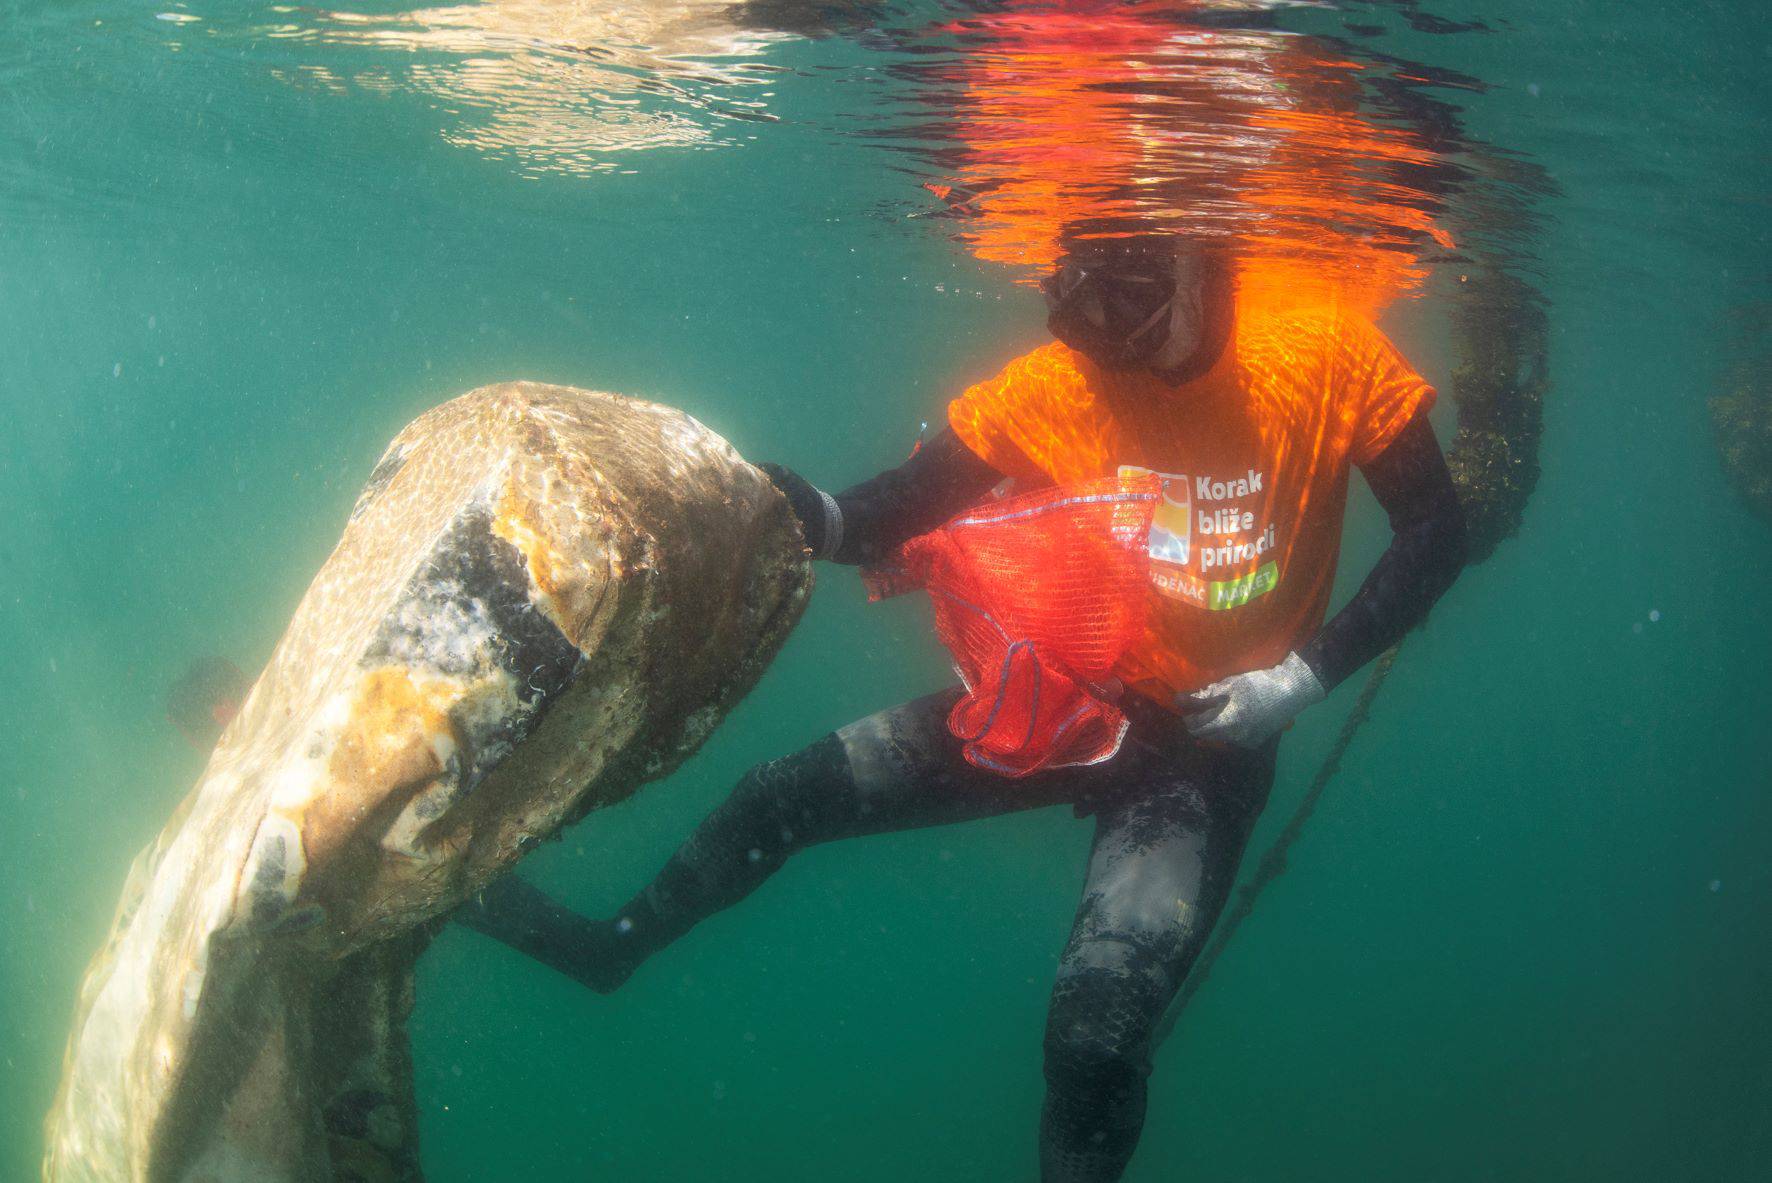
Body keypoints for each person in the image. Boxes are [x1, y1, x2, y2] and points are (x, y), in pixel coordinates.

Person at [462, 235, 1469, 1181]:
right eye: (1073, 306)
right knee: (781, 794)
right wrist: (766, 502)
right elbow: (879, 516)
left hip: (1205, 747)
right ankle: (609, 948)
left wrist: (1300, 677)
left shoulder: (1316, 356)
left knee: (1090, 1037)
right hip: (1062, 703)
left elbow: (1433, 527)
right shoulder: (1057, 384)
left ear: (1206, 267)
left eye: (1129, 302)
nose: (1101, 346)